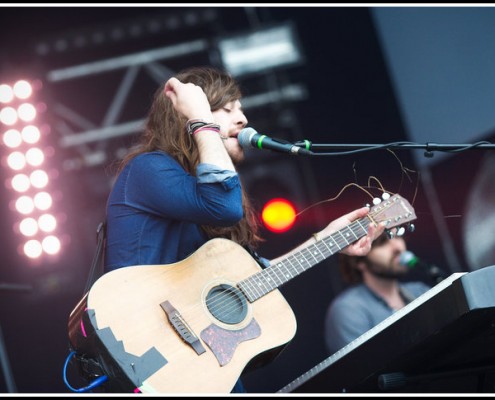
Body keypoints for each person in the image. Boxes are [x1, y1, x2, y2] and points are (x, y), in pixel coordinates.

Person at [102, 66, 385, 393]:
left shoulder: (204, 193)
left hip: (202, 371)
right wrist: (199, 117)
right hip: (150, 359)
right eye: (227, 109)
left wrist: (328, 240)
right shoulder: (148, 170)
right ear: (188, 116)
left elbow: (248, 283)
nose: (243, 119)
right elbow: (223, 206)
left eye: (240, 108)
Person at [323, 233, 431, 355]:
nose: (398, 247)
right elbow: (359, 367)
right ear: (360, 261)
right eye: (382, 243)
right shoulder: (348, 308)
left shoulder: (420, 291)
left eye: (398, 236)